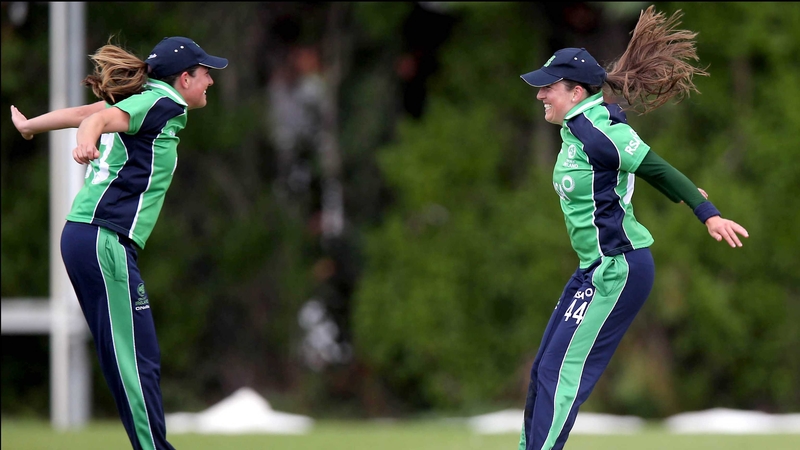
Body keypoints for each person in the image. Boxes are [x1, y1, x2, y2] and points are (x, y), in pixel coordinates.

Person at [516, 6, 748, 450]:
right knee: (544, 367)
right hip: (593, 269)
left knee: (561, 372)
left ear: (575, 91)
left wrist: (707, 212)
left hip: (619, 267)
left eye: (548, 88)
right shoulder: (575, 130)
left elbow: (656, 167)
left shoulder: (598, 131)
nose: (540, 95)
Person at [10, 36, 228, 450]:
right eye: (205, 74)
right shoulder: (162, 102)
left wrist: (30, 126)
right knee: (136, 363)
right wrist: (85, 141)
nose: (210, 82)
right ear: (184, 79)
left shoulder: (145, 99)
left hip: (89, 237)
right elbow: (93, 122)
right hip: (101, 238)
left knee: (134, 358)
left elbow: (84, 113)